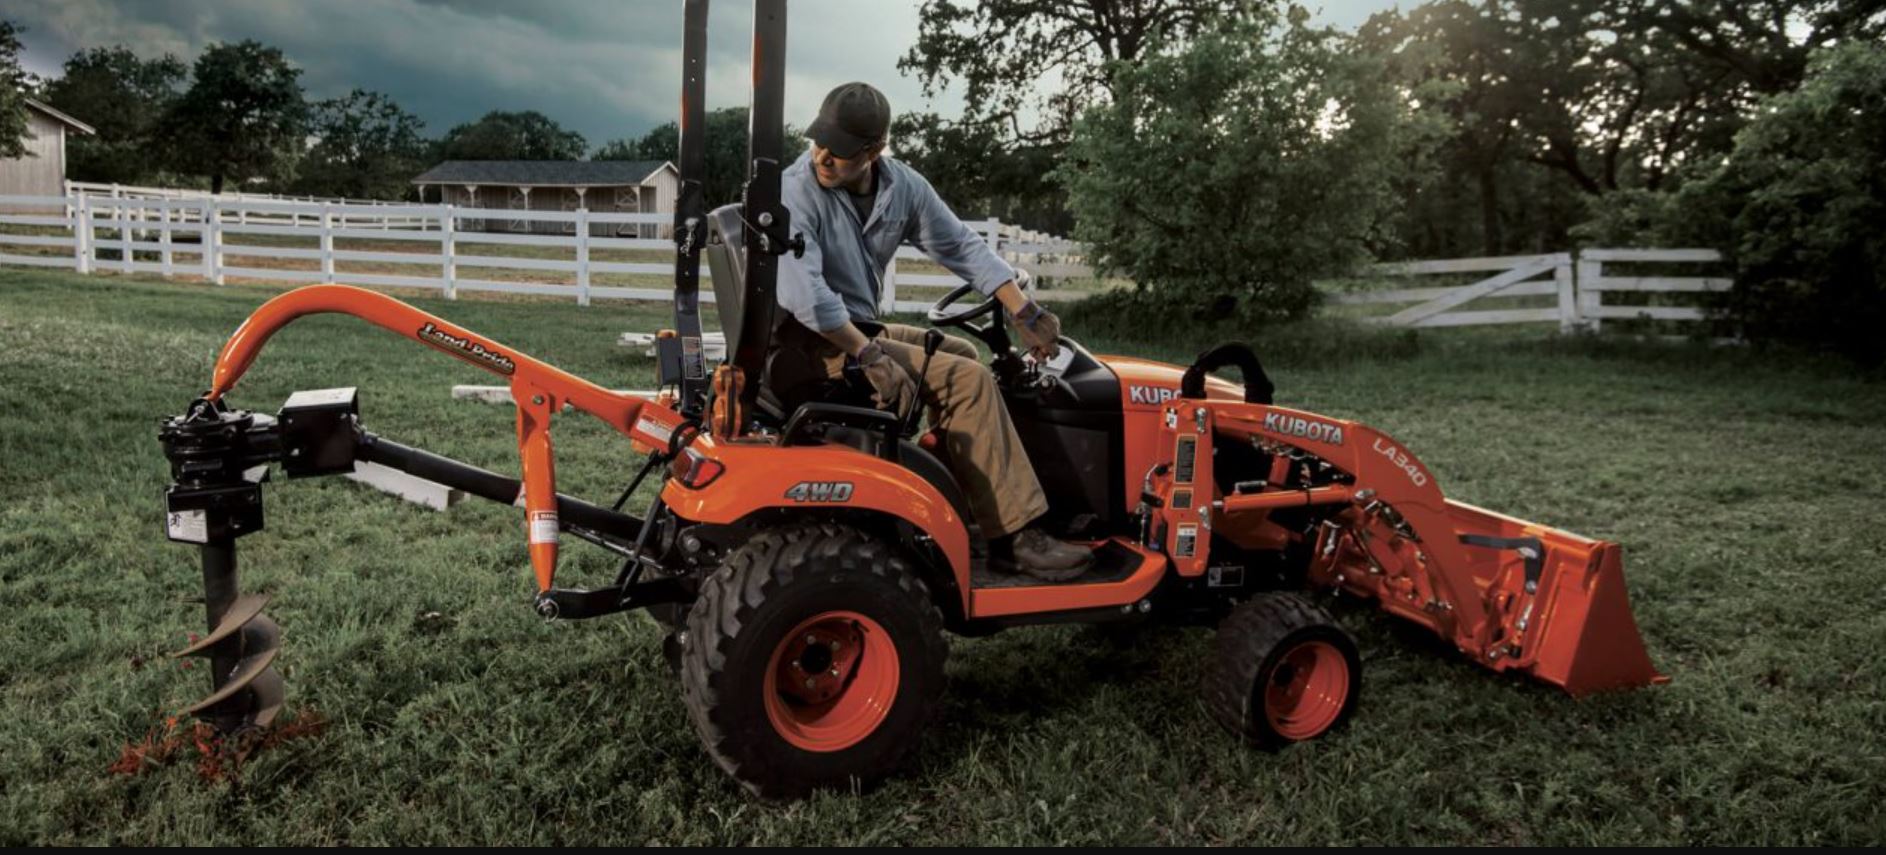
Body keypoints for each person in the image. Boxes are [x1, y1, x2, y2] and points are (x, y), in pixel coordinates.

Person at [772, 81, 1092, 582]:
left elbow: (961, 245)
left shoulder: (902, 187)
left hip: (855, 326)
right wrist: (870, 355)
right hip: (811, 342)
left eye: (839, 149)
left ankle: (961, 497)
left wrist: (1024, 311)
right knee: (970, 382)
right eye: (819, 141)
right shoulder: (796, 190)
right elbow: (808, 298)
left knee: (962, 353)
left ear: (875, 150)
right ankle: (1015, 539)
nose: (823, 157)